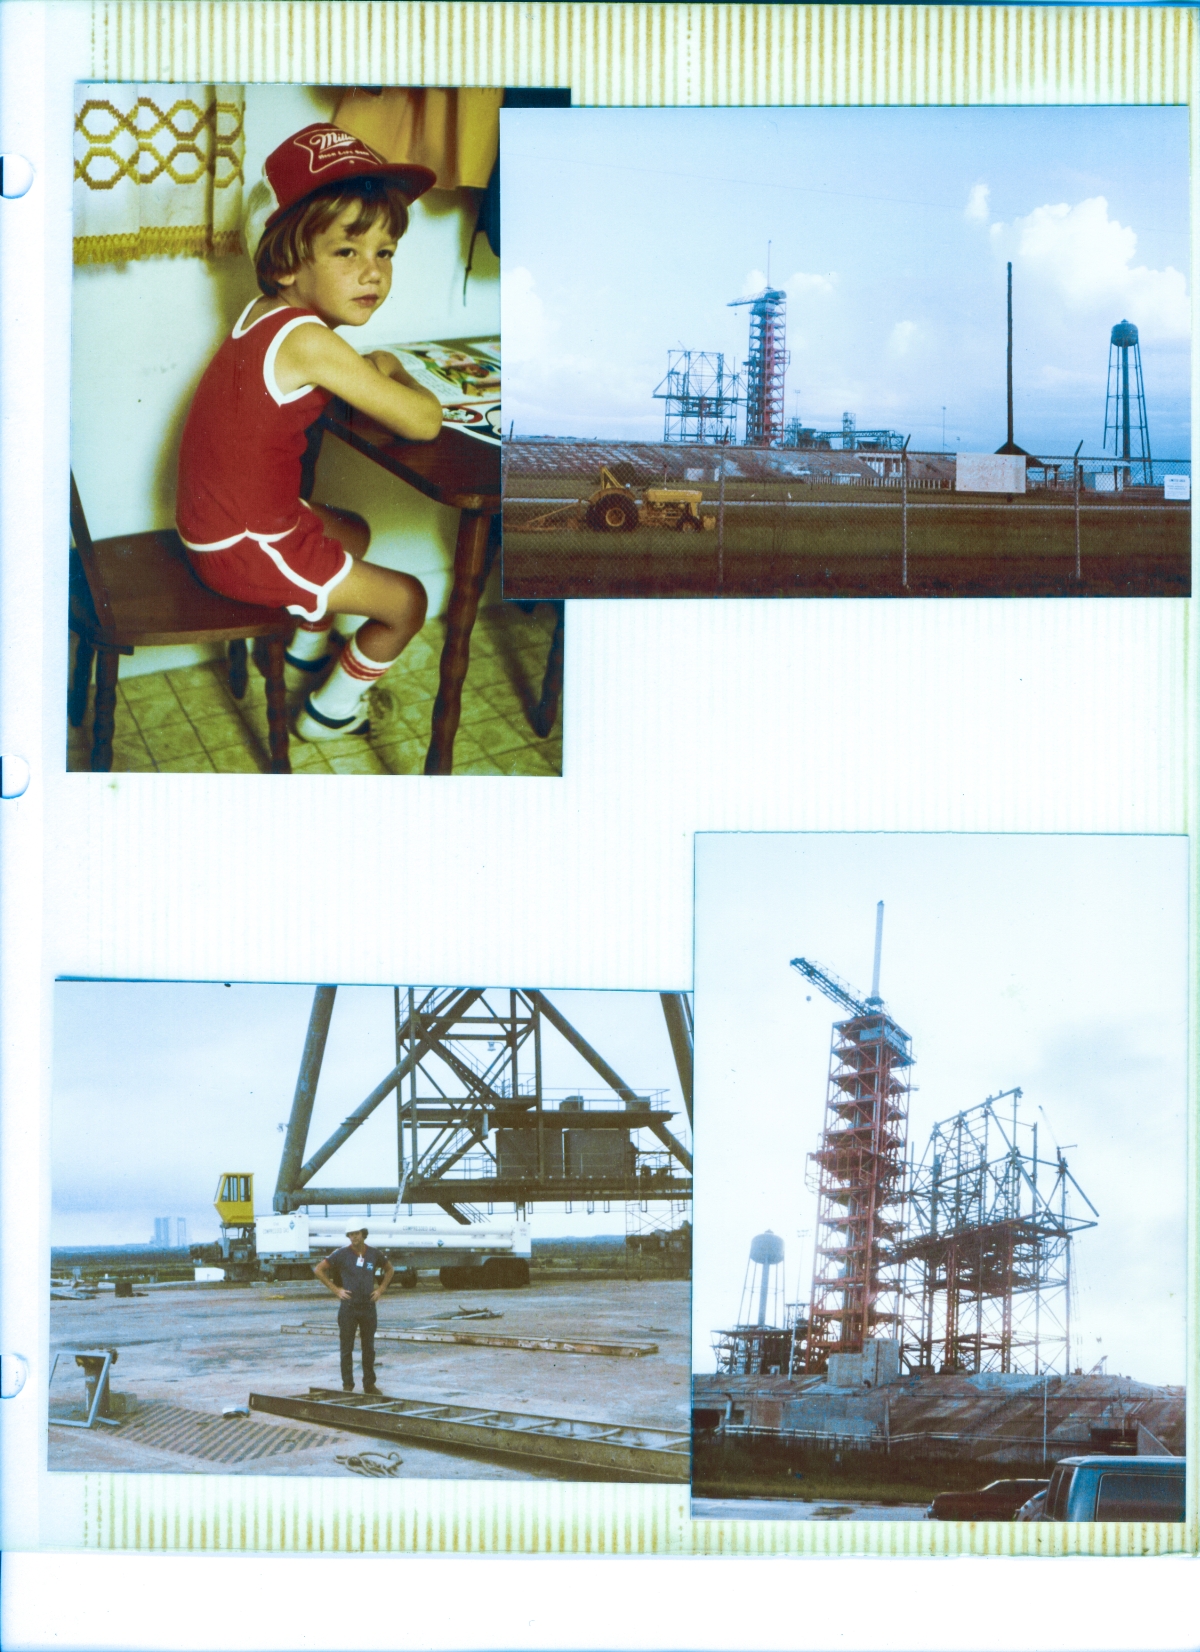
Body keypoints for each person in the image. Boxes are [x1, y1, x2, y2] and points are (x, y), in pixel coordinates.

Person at [175, 124, 443, 741]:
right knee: (408, 602)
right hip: (243, 545)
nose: (372, 272)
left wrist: (367, 370)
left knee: (354, 529)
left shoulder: (267, 315)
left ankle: (303, 651)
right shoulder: (311, 341)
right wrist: (397, 369)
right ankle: (331, 712)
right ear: (289, 263)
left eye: (385, 253)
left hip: (221, 523)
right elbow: (423, 422)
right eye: (347, 253)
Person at [313, 1226, 395, 1393]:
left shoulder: (373, 1254)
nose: (353, 1237)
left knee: (368, 1347)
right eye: (350, 1234)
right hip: (349, 1308)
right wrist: (336, 1290)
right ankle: (348, 1385)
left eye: (356, 1234)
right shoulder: (341, 1254)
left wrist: (380, 1290)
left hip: (368, 1307)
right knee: (346, 1348)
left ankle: (369, 1384)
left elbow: (390, 1270)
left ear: (363, 1234)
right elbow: (319, 1270)